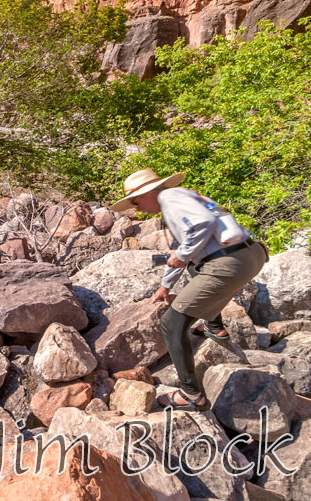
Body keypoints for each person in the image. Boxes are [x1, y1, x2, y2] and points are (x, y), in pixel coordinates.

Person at [112, 168, 267, 411]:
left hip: (231, 264)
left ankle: (191, 394)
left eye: (136, 200)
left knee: (171, 323)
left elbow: (198, 230)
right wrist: (166, 285)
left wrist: (182, 255)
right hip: (252, 254)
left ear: (150, 192)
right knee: (197, 268)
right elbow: (186, 248)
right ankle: (214, 327)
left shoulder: (169, 198)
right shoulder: (183, 196)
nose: (137, 207)